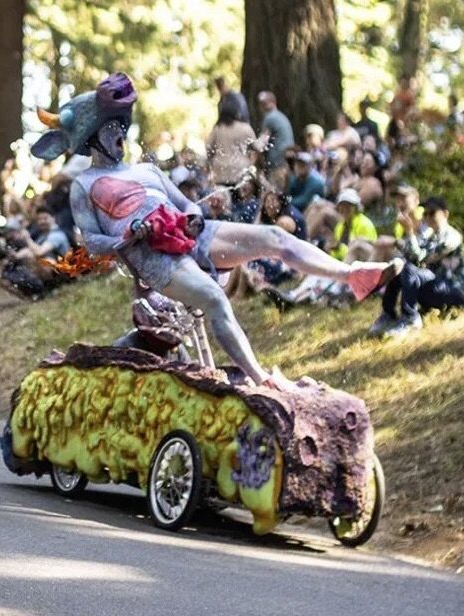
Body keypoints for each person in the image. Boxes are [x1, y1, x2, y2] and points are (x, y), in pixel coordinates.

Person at [32, 72, 401, 389]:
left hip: (191, 234)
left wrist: (194, 215)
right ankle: (261, 379)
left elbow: (186, 203)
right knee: (214, 299)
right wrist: (128, 235)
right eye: (111, 128)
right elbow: (93, 244)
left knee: (275, 238)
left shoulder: (147, 171)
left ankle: (352, 275)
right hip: (156, 257)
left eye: (121, 128)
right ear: (93, 137)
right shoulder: (86, 184)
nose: (119, 135)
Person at [370, 196, 464, 338]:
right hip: (433, 287)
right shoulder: (431, 236)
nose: (427, 217)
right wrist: (400, 243)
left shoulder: (452, 236)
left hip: (452, 290)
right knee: (399, 265)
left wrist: (409, 232)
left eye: (432, 213)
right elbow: (411, 255)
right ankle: (388, 314)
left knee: (407, 268)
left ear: (445, 214)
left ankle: (410, 318)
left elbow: (421, 259)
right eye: (425, 214)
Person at [205, 96, 257, 187]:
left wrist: (211, 160)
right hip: (241, 168)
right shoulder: (245, 128)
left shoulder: (218, 129)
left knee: (224, 196)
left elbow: (208, 146)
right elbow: (256, 146)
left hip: (220, 169)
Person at [255, 90, 295, 190]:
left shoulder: (270, 118)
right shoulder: (281, 117)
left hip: (276, 166)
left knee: (273, 197)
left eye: (264, 103)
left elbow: (261, 145)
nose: (263, 106)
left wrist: (257, 164)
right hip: (286, 165)